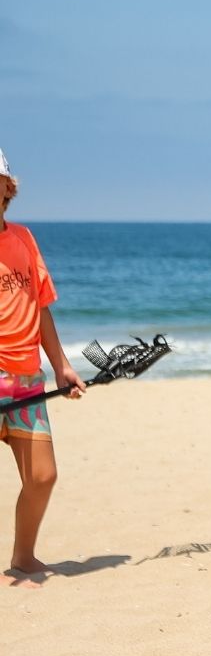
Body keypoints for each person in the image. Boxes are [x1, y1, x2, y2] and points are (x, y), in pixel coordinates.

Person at [0, 147, 86, 587]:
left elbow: (41, 306)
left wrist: (62, 366)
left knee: (43, 476)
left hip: (27, 380)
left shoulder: (23, 239)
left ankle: (23, 557)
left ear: (6, 188)